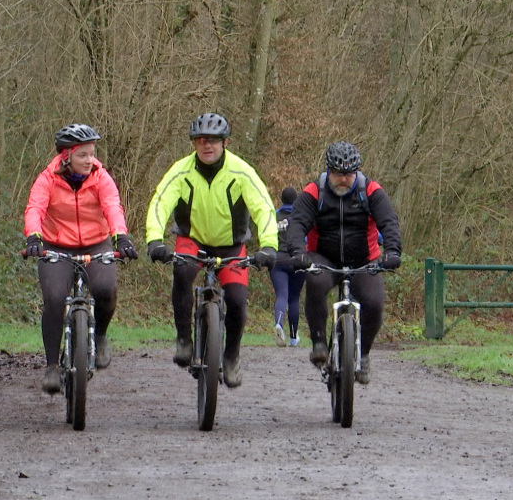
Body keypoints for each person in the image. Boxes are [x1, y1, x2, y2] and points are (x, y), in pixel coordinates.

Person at [145, 113, 278, 388]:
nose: (207, 146)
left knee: (238, 301)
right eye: (201, 140)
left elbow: (263, 208)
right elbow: (160, 202)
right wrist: (154, 240)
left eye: (214, 141)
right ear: (194, 143)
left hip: (231, 246)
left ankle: (230, 357)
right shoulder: (180, 171)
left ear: (225, 142)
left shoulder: (241, 171)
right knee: (182, 273)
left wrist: (268, 246)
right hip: (192, 240)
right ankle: (184, 339)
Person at [23, 124, 138, 394]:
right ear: (66, 156)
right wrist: (34, 237)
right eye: (82, 155)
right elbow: (35, 207)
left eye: (91, 154)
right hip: (56, 245)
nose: (89, 161)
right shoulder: (47, 179)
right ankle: (52, 367)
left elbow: (112, 206)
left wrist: (121, 236)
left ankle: (99, 336)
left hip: (96, 242)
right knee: (53, 298)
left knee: (105, 289)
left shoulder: (101, 177)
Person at [285, 141, 401, 385]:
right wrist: (298, 252)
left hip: (363, 259)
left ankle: (364, 354)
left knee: (374, 302)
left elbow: (389, 221)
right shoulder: (314, 191)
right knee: (315, 282)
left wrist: (392, 251)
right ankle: (318, 342)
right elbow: (297, 223)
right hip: (323, 256)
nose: (343, 179)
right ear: (329, 171)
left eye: (349, 173)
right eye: (338, 173)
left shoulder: (370, 190)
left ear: (356, 172)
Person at [270, 186, 306, 348]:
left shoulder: (274, 216)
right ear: (296, 200)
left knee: (281, 296)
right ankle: (293, 337)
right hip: (297, 260)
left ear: (282, 199)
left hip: (278, 260)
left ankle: (278, 324)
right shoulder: (300, 217)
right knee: (294, 298)